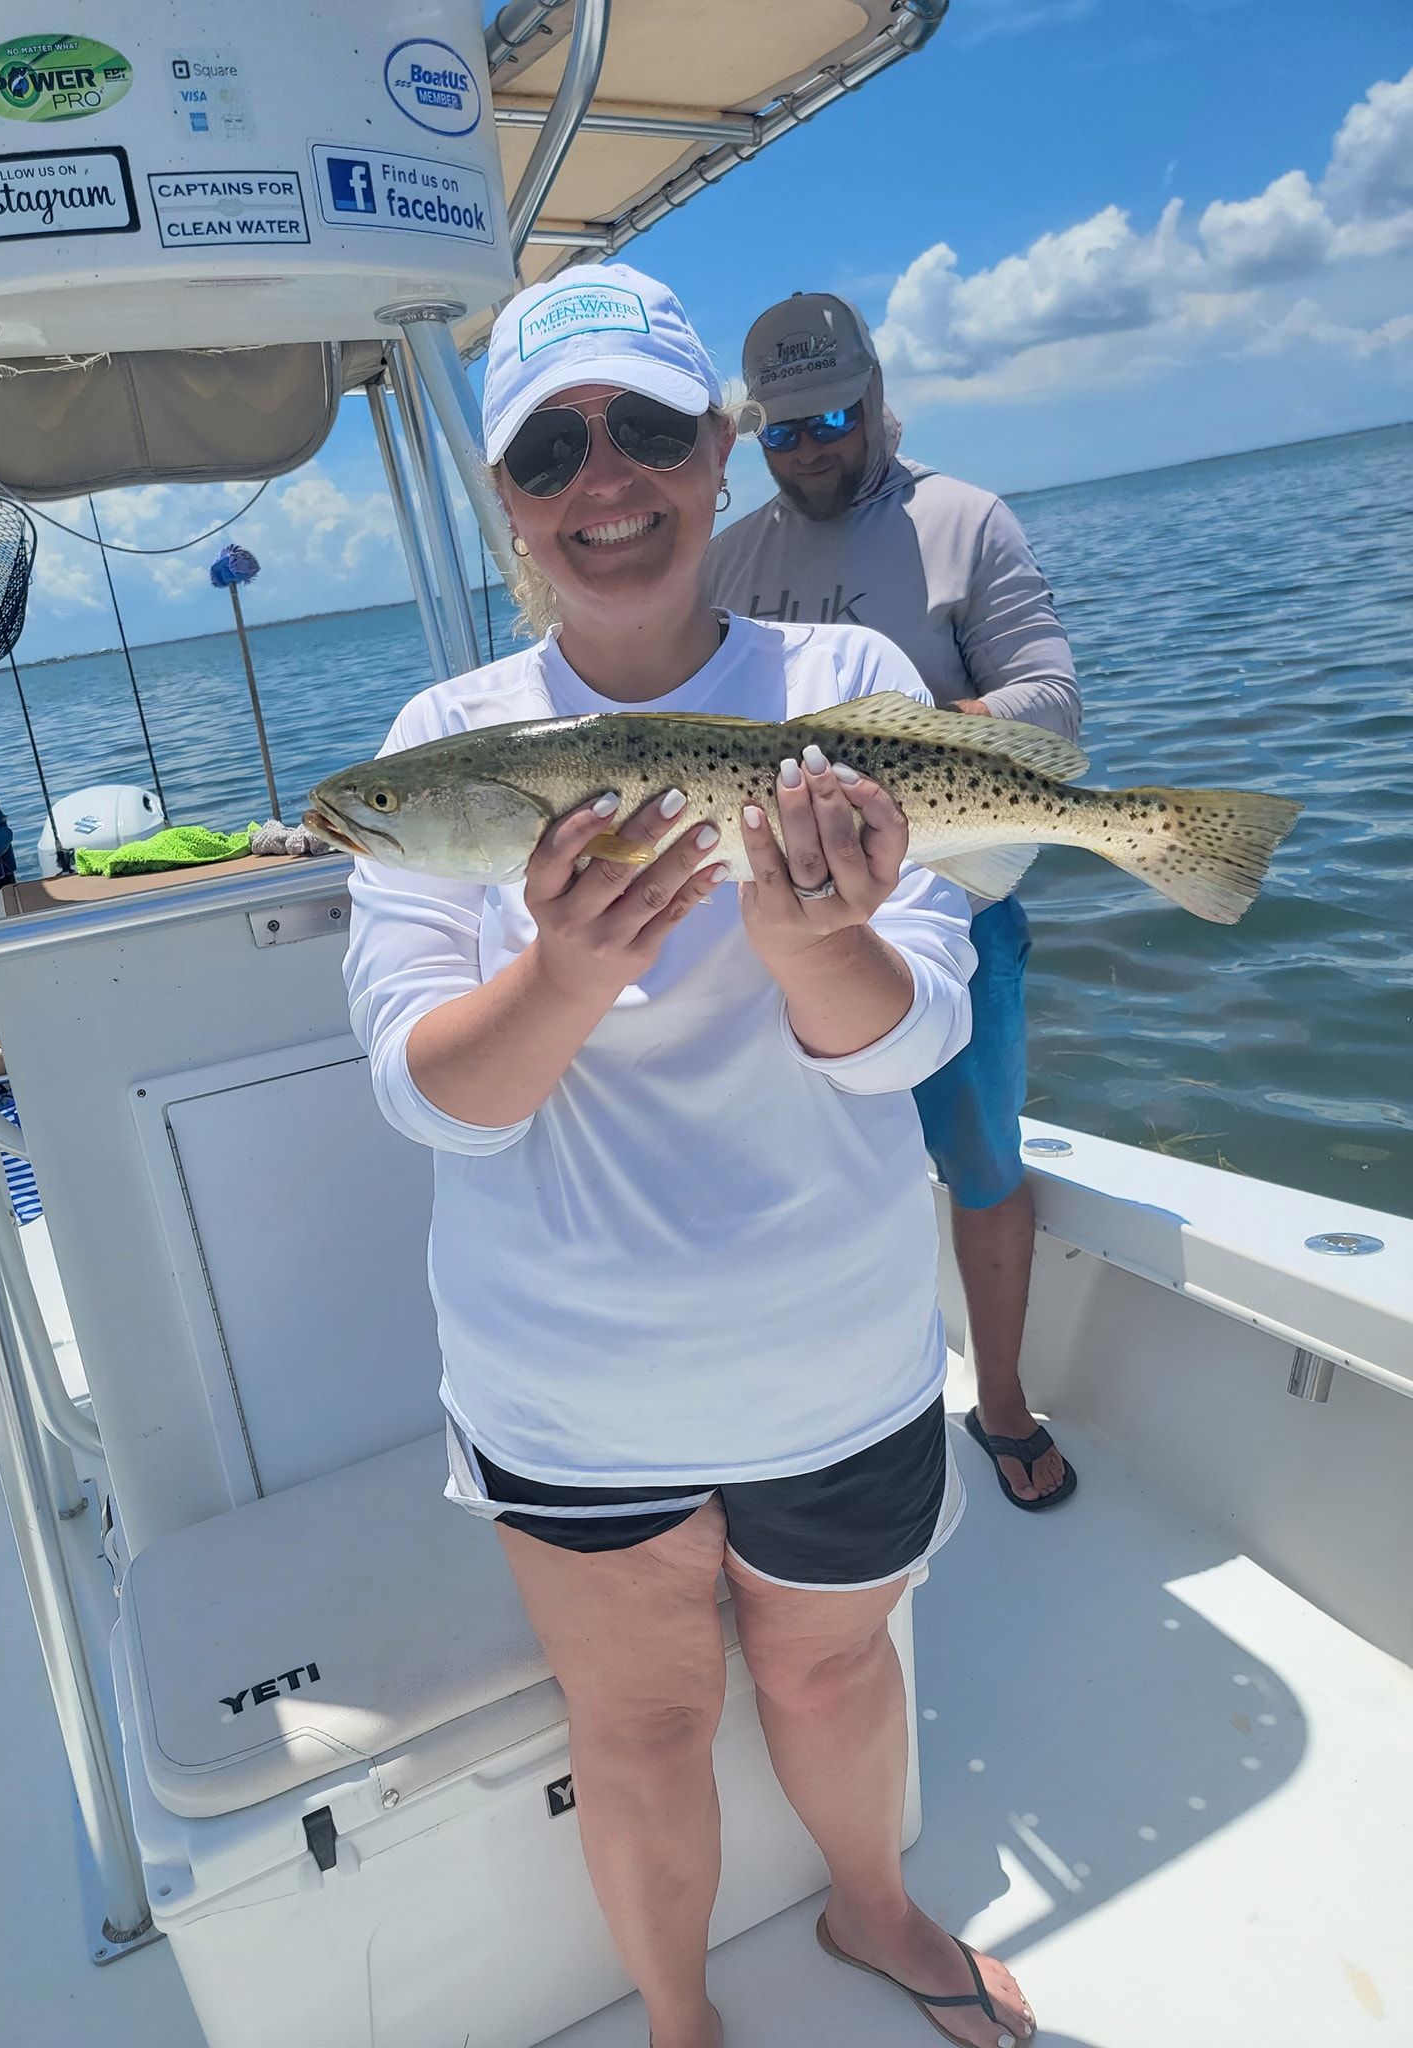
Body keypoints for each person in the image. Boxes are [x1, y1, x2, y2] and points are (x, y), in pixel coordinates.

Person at [344, 263, 1036, 2048]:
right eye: (552, 449)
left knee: (830, 1661)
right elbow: (432, 1093)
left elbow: (913, 1037)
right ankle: (678, 2017)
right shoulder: (443, 752)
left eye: (650, 429)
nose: (607, 481)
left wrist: (817, 930)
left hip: (837, 1350)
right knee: (638, 1722)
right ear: (506, 495)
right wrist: (567, 967)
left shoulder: (848, 681)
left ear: (718, 455)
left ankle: (874, 1907)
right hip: (569, 1381)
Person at [706, 291, 1081, 1512]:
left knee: (979, 1163)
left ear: (871, 395)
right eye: (782, 431)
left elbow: (1052, 709)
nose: (810, 446)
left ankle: (1006, 1399)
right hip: (777, 934)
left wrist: (889, 747)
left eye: (829, 417)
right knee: (793, 1176)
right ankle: (822, 1424)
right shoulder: (733, 559)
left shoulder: (964, 521)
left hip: (952, 908)